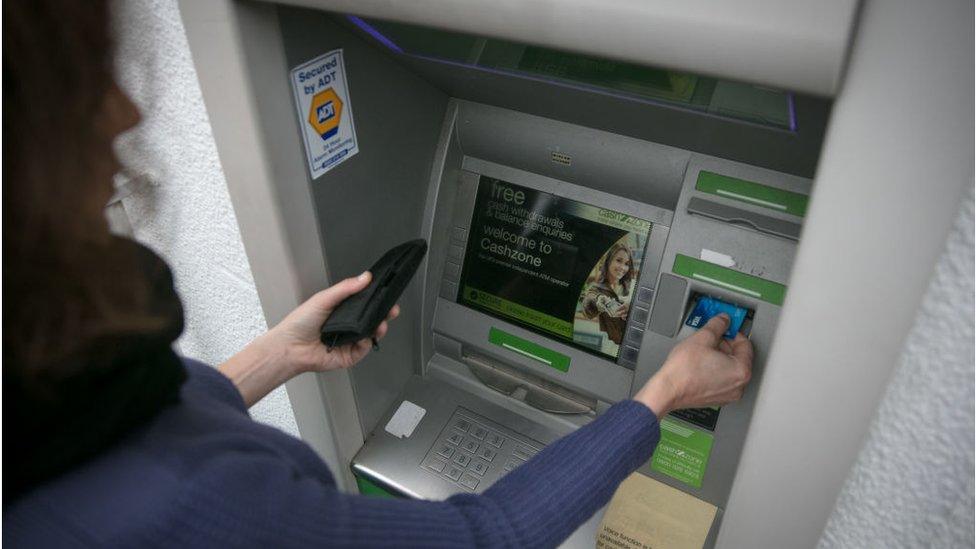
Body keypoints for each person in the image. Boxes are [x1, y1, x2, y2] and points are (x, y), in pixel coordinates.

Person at [2, 1, 753, 547]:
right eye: (86, 83)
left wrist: (278, 354)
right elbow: (484, 536)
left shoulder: (40, 383)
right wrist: (660, 396)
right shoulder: (186, 509)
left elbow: (123, 417)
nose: (127, 112)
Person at [580, 243, 637, 346]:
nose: (623, 267)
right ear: (609, 261)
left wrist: (633, 306)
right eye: (619, 261)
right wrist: (598, 301)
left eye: (627, 264)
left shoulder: (631, 287)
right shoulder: (597, 289)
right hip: (613, 347)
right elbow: (588, 303)